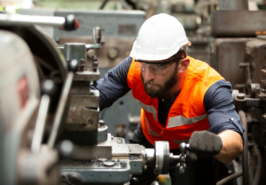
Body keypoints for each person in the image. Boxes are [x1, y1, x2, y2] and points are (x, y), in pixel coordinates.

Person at [91, 13, 244, 185]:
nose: (148, 75)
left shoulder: (209, 87)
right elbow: (94, 97)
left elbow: (235, 141)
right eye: (144, 64)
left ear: (182, 65)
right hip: (147, 140)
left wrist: (216, 143)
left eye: (159, 66)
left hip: (192, 150)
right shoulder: (134, 68)